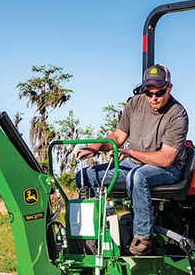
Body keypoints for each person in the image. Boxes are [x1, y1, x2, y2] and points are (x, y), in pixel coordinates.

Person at [74, 64, 188, 256]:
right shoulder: (135, 104)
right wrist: (94, 147)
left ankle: (143, 238)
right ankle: (91, 237)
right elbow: (118, 137)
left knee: (137, 176)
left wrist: (129, 153)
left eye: (159, 93)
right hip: (133, 164)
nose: (153, 98)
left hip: (169, 170)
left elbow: (166, 159)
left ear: (169, 87)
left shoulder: (177, 114)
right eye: (148, 93)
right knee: (86, 176)